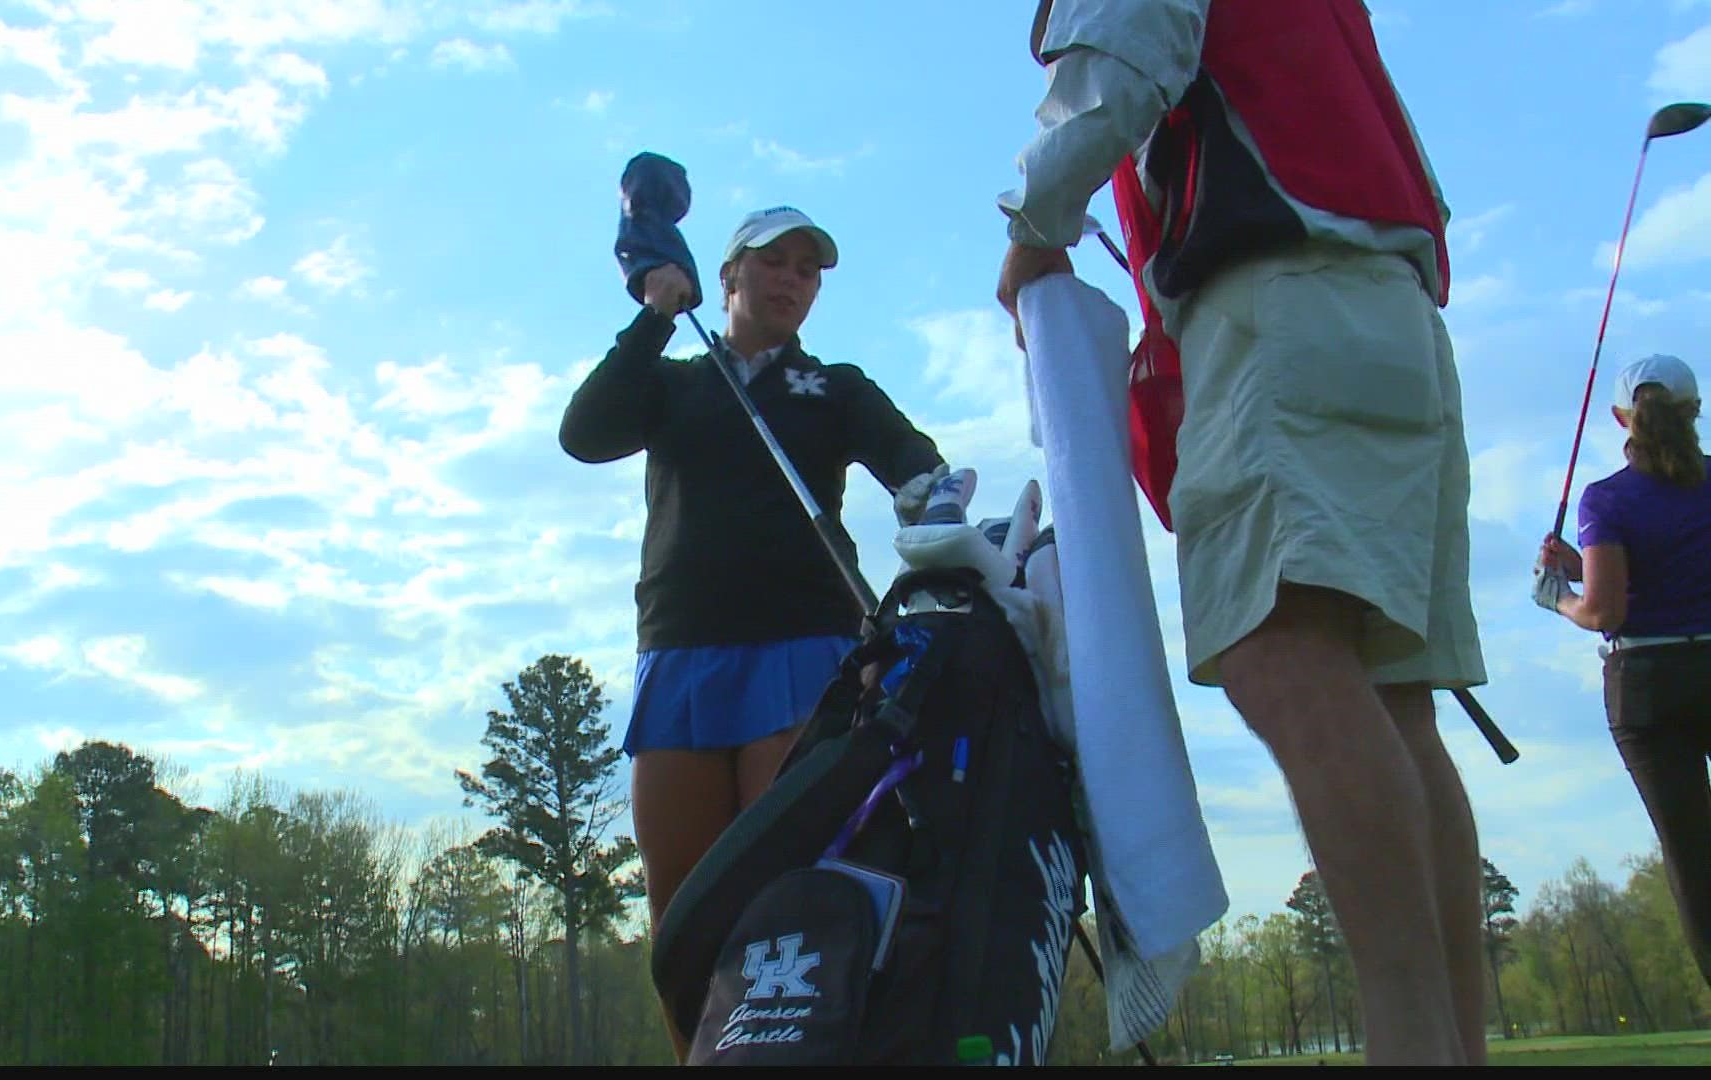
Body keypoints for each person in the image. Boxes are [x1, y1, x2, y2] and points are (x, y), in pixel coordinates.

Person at [993, 0, 1486, 1064]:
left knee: (1280, 649)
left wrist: (1032, 236)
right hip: (1387, 307)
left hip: (1284, 302)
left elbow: (1109, 83)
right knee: (1393, 699)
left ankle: (1410, 1044)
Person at [559, 205, 944, 1059]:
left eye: (807, 271)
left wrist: (938, 510)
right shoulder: (678, 381)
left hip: (807, 656)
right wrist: (654, 313)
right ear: (728, 277)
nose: (791, 281)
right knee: (683, 921)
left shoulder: (834, 386)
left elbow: (919, 470)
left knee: (781, 906)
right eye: (774, 263)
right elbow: (583, 435)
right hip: (680, 658)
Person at [1536, 353, 1711, 991]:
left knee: (1693, 856)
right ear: (1694, 411)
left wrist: (1558, 591)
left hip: (1648, 688)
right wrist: (1586, 566)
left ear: (1620, 419)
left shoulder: (1607, 499)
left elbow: (1605, 609)